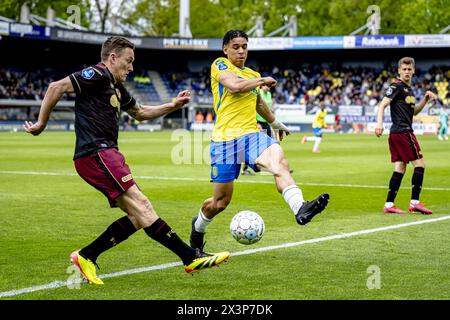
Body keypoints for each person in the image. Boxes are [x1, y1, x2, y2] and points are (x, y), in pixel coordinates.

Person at [23, 36, 230, 285]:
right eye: (128, 61)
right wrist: (41, 124)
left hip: (109, 154)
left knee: (138, 216)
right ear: (112, 58)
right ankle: (189, 257)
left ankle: (86, 256)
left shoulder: (116, 86)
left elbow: (140, 112)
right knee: (143, 206)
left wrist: (172, 105)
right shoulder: (97, 74)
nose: (131, 67)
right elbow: (56, 87)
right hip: (96, 152)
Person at [189, 30, 329, 250]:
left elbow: (258, 104)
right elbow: (235, 86)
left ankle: (300, 207)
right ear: (225, 49)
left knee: (279, 163)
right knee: (220, 203)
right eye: (236, 46)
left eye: (244, 46)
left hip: (252, 135)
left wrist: (275, 123)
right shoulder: (220, 65)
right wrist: (261, 80)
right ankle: (197, 229)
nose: (241, 50)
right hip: (224, 140)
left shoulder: (252, 73)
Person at [375, 57, 435, 215]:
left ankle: (389, 204)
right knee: (420, 164)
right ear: (399, 71)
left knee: (400, 167)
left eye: (409, 69)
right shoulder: (396, 86)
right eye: (404, 69)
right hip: (403, 132)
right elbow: (382, 105)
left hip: (398, 133)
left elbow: (414, 111)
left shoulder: (409, 90)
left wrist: (426, 99)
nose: (407, 72)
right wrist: (379, 124)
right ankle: (414, 202)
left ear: (414, 71)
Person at [242, 83, 274, 175]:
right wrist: (256, 122)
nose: (268, 88)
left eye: (269, 86)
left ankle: (272, 165)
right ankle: (245, 169)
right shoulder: (258, 92)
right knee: (252, 145)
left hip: (265, 122)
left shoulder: (269, 94)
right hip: (257, 122)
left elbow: (267, 108)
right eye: (267, 86)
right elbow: (255, 107)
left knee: (271, 143)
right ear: (262, 86)